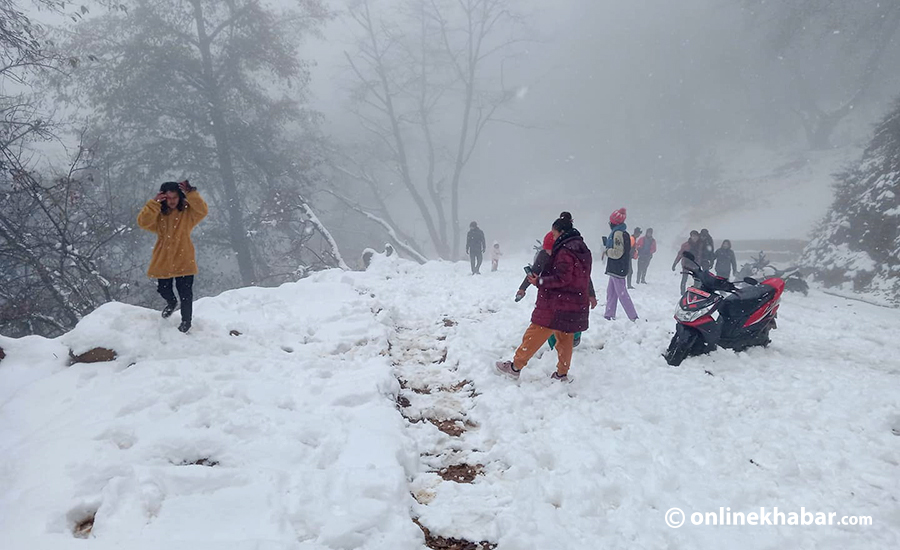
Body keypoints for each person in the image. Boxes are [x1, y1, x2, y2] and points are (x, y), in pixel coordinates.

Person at [497, 212, 594, 382]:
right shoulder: (581, 249)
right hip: (574, 303)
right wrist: (589, 294)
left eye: (555, 233)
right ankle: (562, 373)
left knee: (534, 334)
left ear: (560, 233)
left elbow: (562, 278)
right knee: (565, 339)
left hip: (556, 304)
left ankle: (515, 367)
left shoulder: (564, 252)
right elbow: (583, 277)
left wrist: (540, 282)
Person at [137, 180, 208, 333]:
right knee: (163, 289)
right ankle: (171, 302)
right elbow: (143, 222)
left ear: (180, 197)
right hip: (163, 258)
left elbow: (202, 210)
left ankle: (186, 322)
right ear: (163, 198)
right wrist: (154, 204)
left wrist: (192, 193)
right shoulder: (159, 213)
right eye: (168, 198)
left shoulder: (188, 212)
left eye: (174, 197)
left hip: (184, 257)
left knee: (186, 294)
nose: (172, 201)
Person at [516, 231, 597, 347]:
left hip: (571, 295)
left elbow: (584, 277)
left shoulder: (569, 256)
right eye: (546, 249)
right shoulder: (544, 255)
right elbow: (534, 271)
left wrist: (591, 294)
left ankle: (573, 339)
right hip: (551, 295)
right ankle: (554, 346)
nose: (548, 252)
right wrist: (522, 288)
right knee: (550, 322)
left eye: (550, 250)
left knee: (572, 320)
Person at [603, 208, 639, 321]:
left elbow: (618, 252)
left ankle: (633, 316)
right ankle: (609, 313)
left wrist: (607, 251)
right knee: (611, 291)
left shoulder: (618, 234)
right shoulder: (623, 233)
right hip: (617, 267)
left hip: (617, 267)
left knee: (622, 293)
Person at [672, 230, 703, 294]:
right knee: (684, 278)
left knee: (697, 279)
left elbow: (702, 255)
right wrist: (675, 263)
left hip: (695, 264)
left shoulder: (700, 245)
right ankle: (682, 292)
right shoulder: (685, 245)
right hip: (686, 263)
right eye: (693, 236)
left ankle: (695, 291)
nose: (694, 238)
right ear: (691, 237)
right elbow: (680, 254)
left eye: (696, 236)